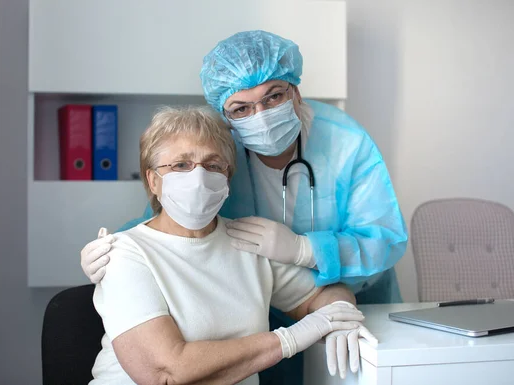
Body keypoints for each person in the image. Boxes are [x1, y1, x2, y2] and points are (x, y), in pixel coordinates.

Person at [83, 31, 407, 383]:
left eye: (274, 97)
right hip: (264, 340)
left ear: (295, 92)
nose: (261, 116)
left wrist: (310, 258)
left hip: (338, 323)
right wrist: (113, 251)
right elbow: (168, 231)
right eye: (242, 108)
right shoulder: (224, 140)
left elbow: (378, 241)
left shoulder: (344, 143)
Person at [90, 106, 376, 385]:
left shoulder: (247, 240)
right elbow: (165, 372)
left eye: (213, 165)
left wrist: (339, 312)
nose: (198, 177)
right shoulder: (128, 255)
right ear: (153, 180)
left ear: (227, 179)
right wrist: (289, 339)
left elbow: (322, 294)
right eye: (181, 165)